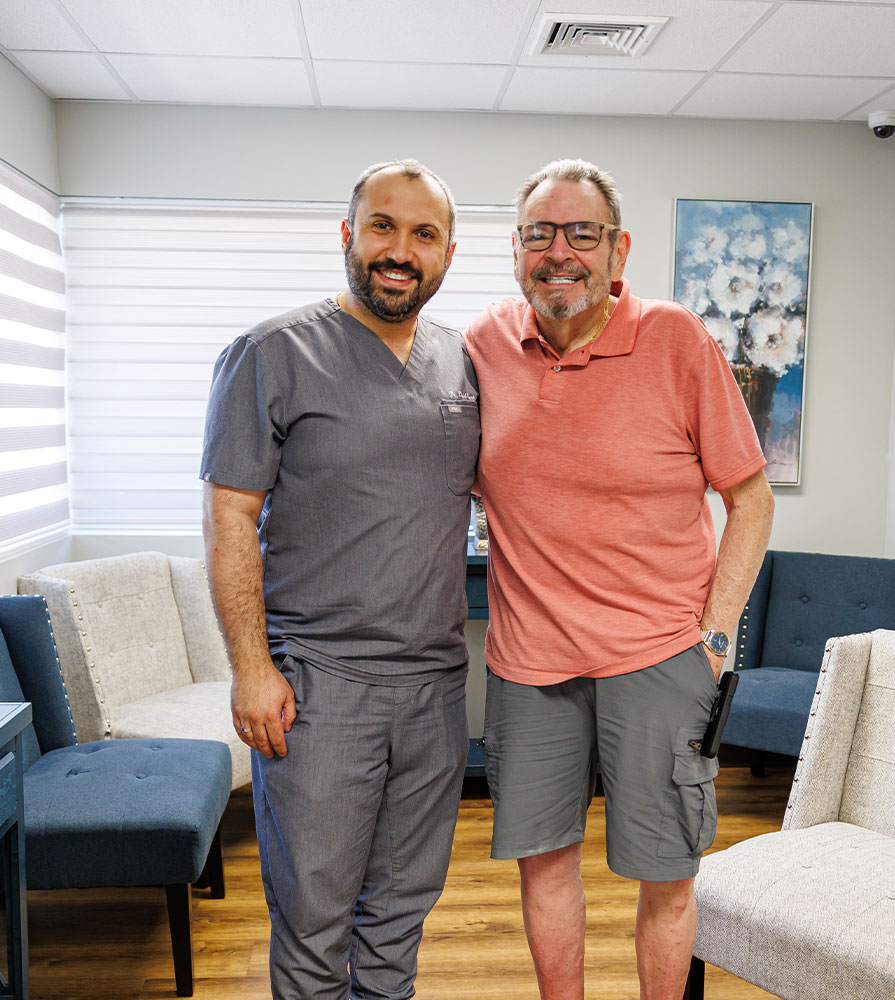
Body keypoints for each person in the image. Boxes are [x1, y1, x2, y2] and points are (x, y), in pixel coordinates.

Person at [463, 159, 775, 1000]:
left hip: (659, 657)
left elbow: (750, 499)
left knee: (665, 873)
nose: (558, 251)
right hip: (529, 667)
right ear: (516, 248)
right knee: (543, 868)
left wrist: (714, 635)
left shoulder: (676, 339)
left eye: (581, 233)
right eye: (539, 233)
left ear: (617, 248)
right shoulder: (482, 346)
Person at [200, 159, 480, 1000]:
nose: (400, 249)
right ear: (348, 234)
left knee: (399, 918)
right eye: (383, 226)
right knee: (314, 923)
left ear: (447, 253)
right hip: (320, 690)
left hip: (434, 692)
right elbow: (228, 519)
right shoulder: (269, 354)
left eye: (423, 233)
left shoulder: (464, 363)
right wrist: (252, 668)